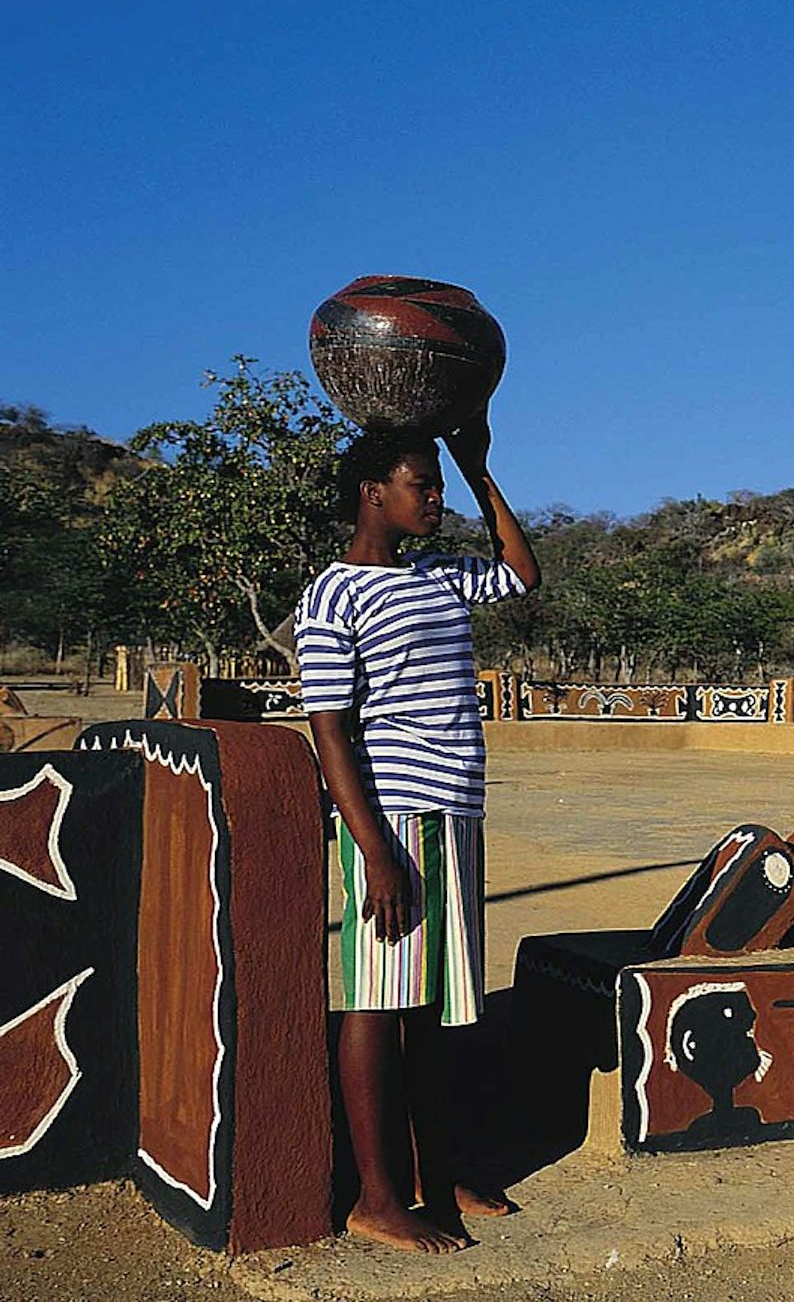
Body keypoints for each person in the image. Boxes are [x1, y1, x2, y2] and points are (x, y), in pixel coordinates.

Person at [295, 417, 539, 1253]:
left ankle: (441, 1171)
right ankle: (377, 1195)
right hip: (390, 816)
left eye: (436, 486)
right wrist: (373, 851)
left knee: (433, 1003)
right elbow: (329, 728)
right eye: (421, 484)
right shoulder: (332, 593)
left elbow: (521, 572)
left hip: (456, 809)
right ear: (373, 494)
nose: (433, 500)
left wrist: (478, 469)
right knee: (377, 999)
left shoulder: (439, 572)